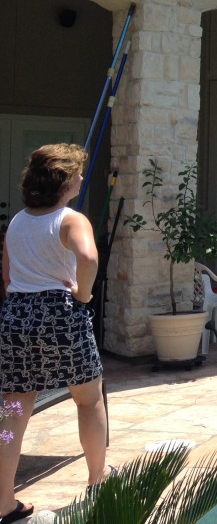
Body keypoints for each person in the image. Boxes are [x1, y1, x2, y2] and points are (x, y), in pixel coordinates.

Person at [0, 143, 107, 523]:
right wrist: (84, 293)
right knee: (88, 399)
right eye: (77, 171)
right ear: (64, 179)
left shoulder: (16, 221)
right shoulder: (71, 220)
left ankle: (3, 501)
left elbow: (8, 277)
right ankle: (98, 481)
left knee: (13, 409)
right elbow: (89, 258)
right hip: (60, 312)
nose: (82, 176)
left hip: (16, 316)